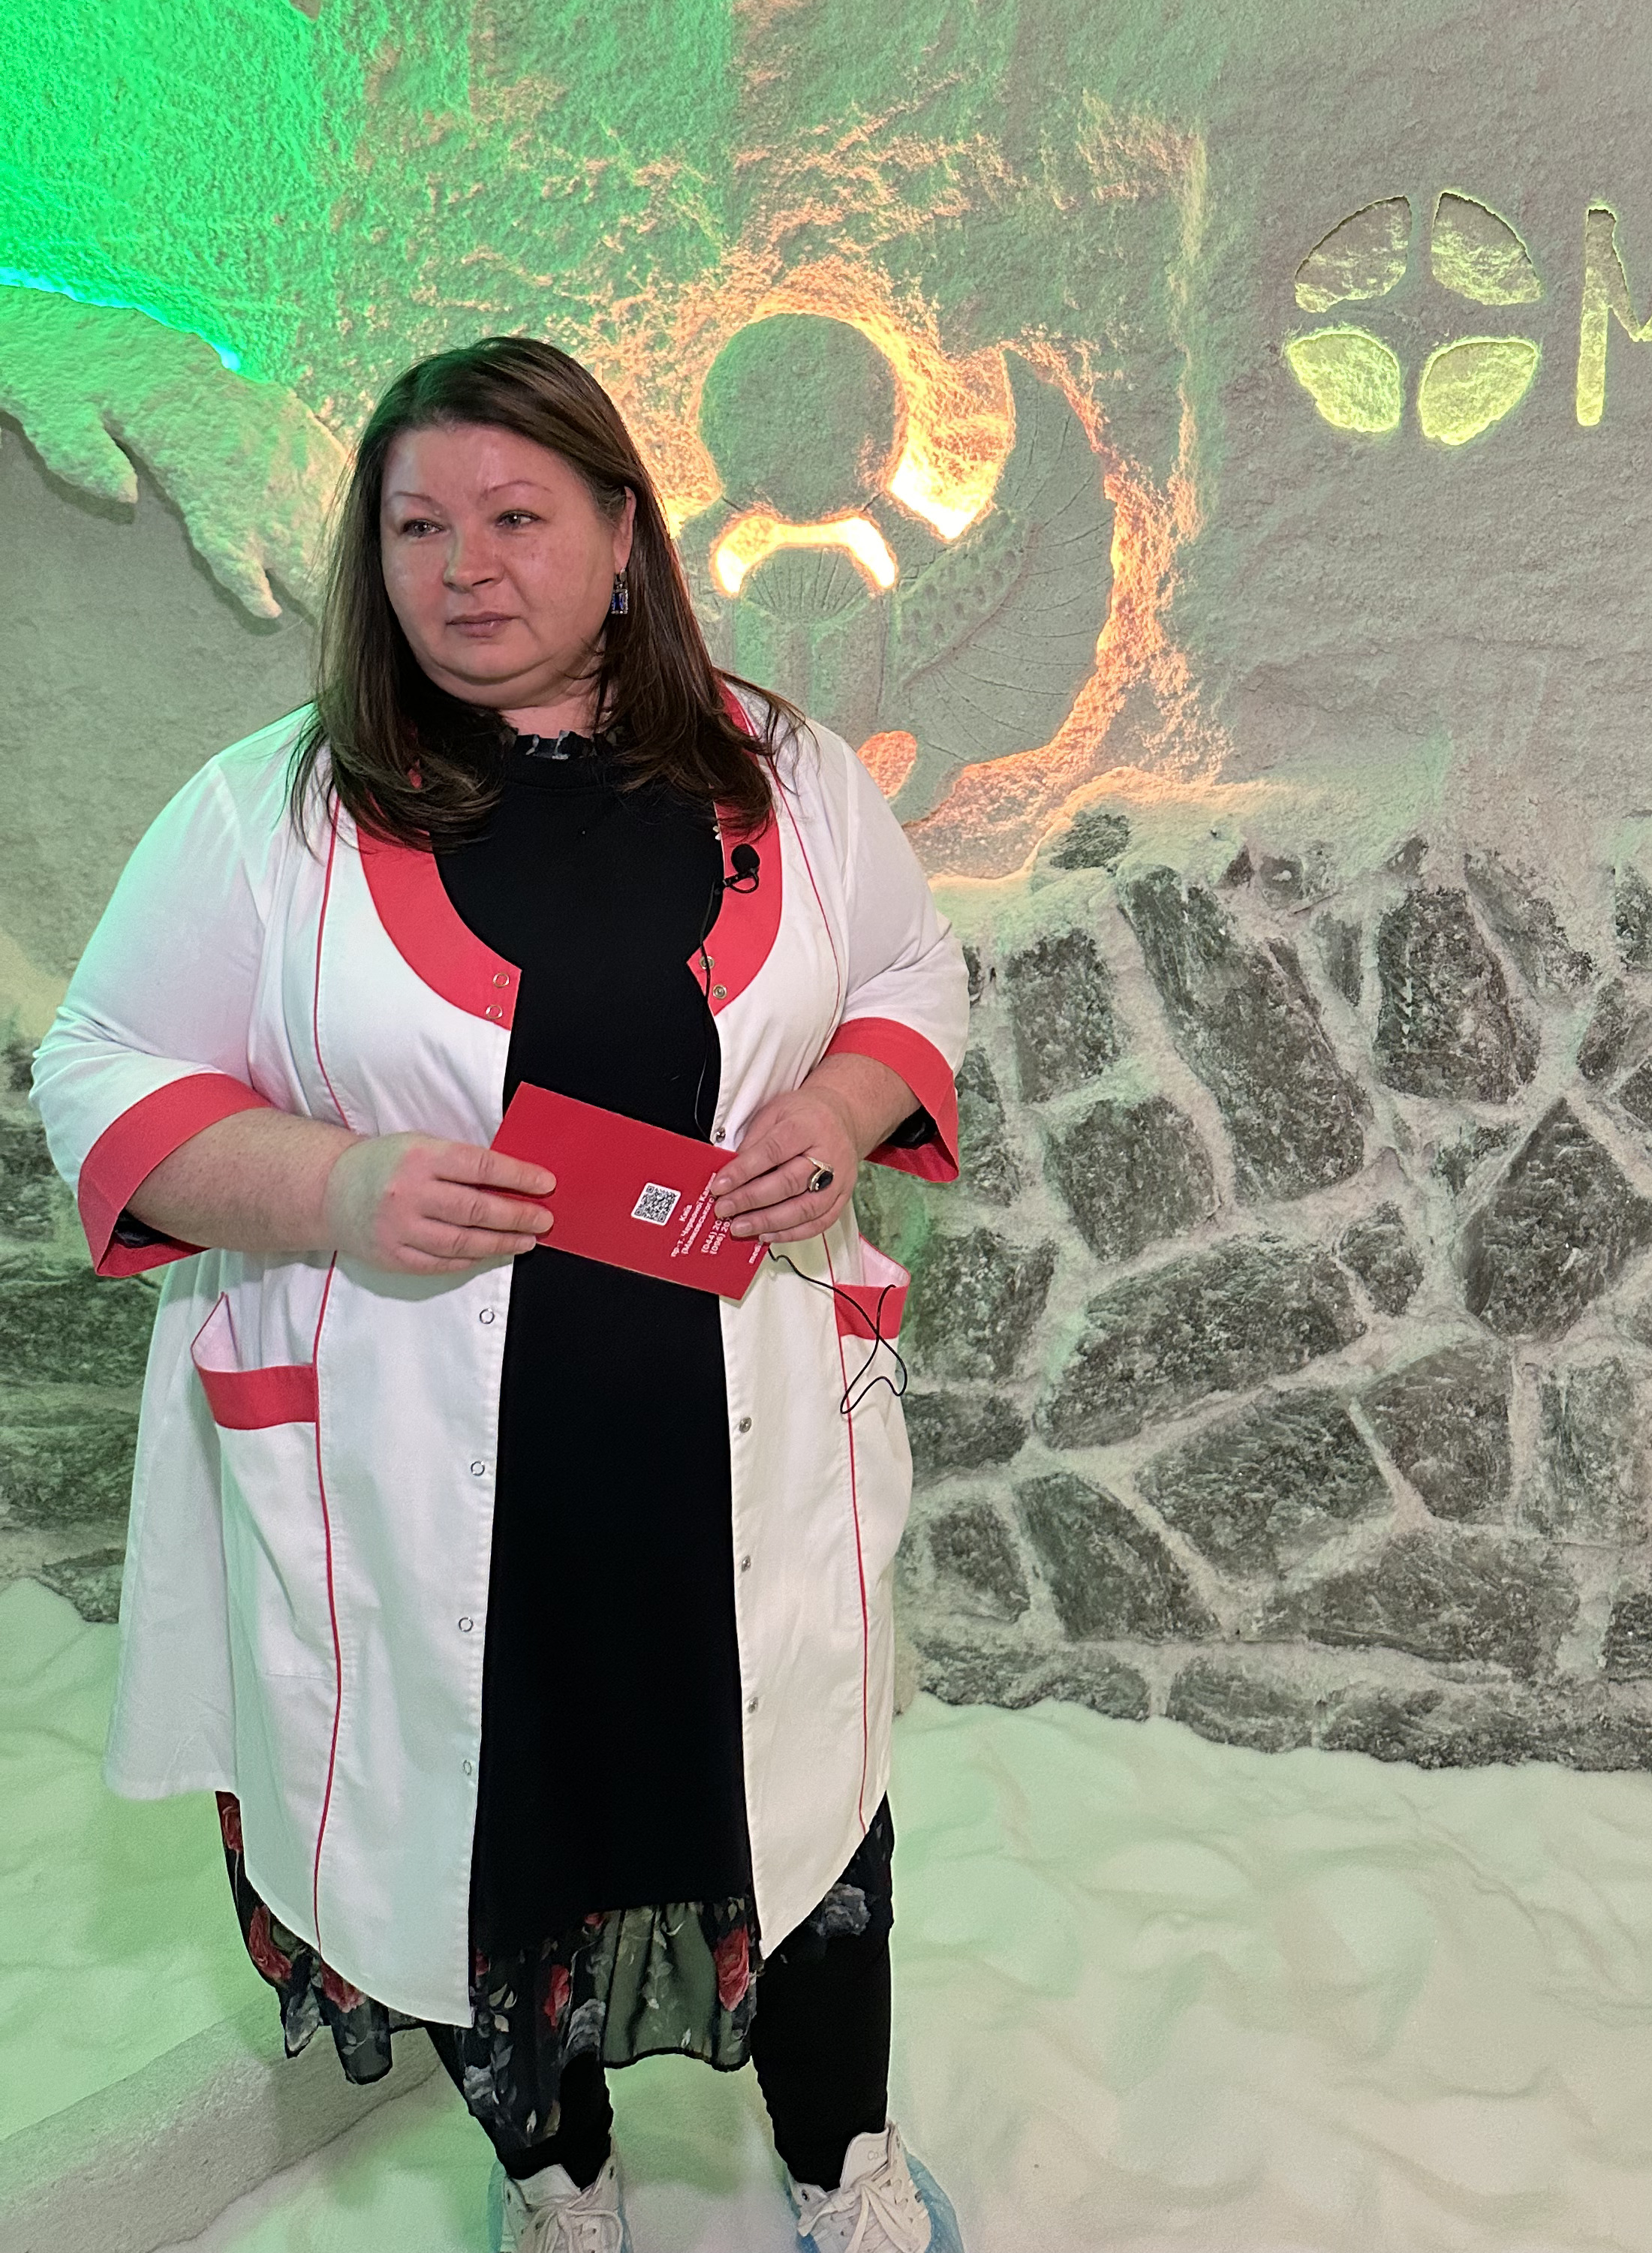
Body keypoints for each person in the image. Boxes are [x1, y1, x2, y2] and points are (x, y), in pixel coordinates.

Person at [31, 337, 970, 2253]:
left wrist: (838, 1108)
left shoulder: (785, 775)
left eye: (518, 516)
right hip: (428, 1460)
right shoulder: (269, 813)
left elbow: (909, 979)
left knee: (793, 1818)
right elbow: (103, 1073)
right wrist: (337, 1187)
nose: (465, 566)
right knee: (489, 1841)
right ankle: (558, 2180)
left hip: (727, 1447)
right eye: (417, 528)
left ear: (624, 536)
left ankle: (843, 2163)